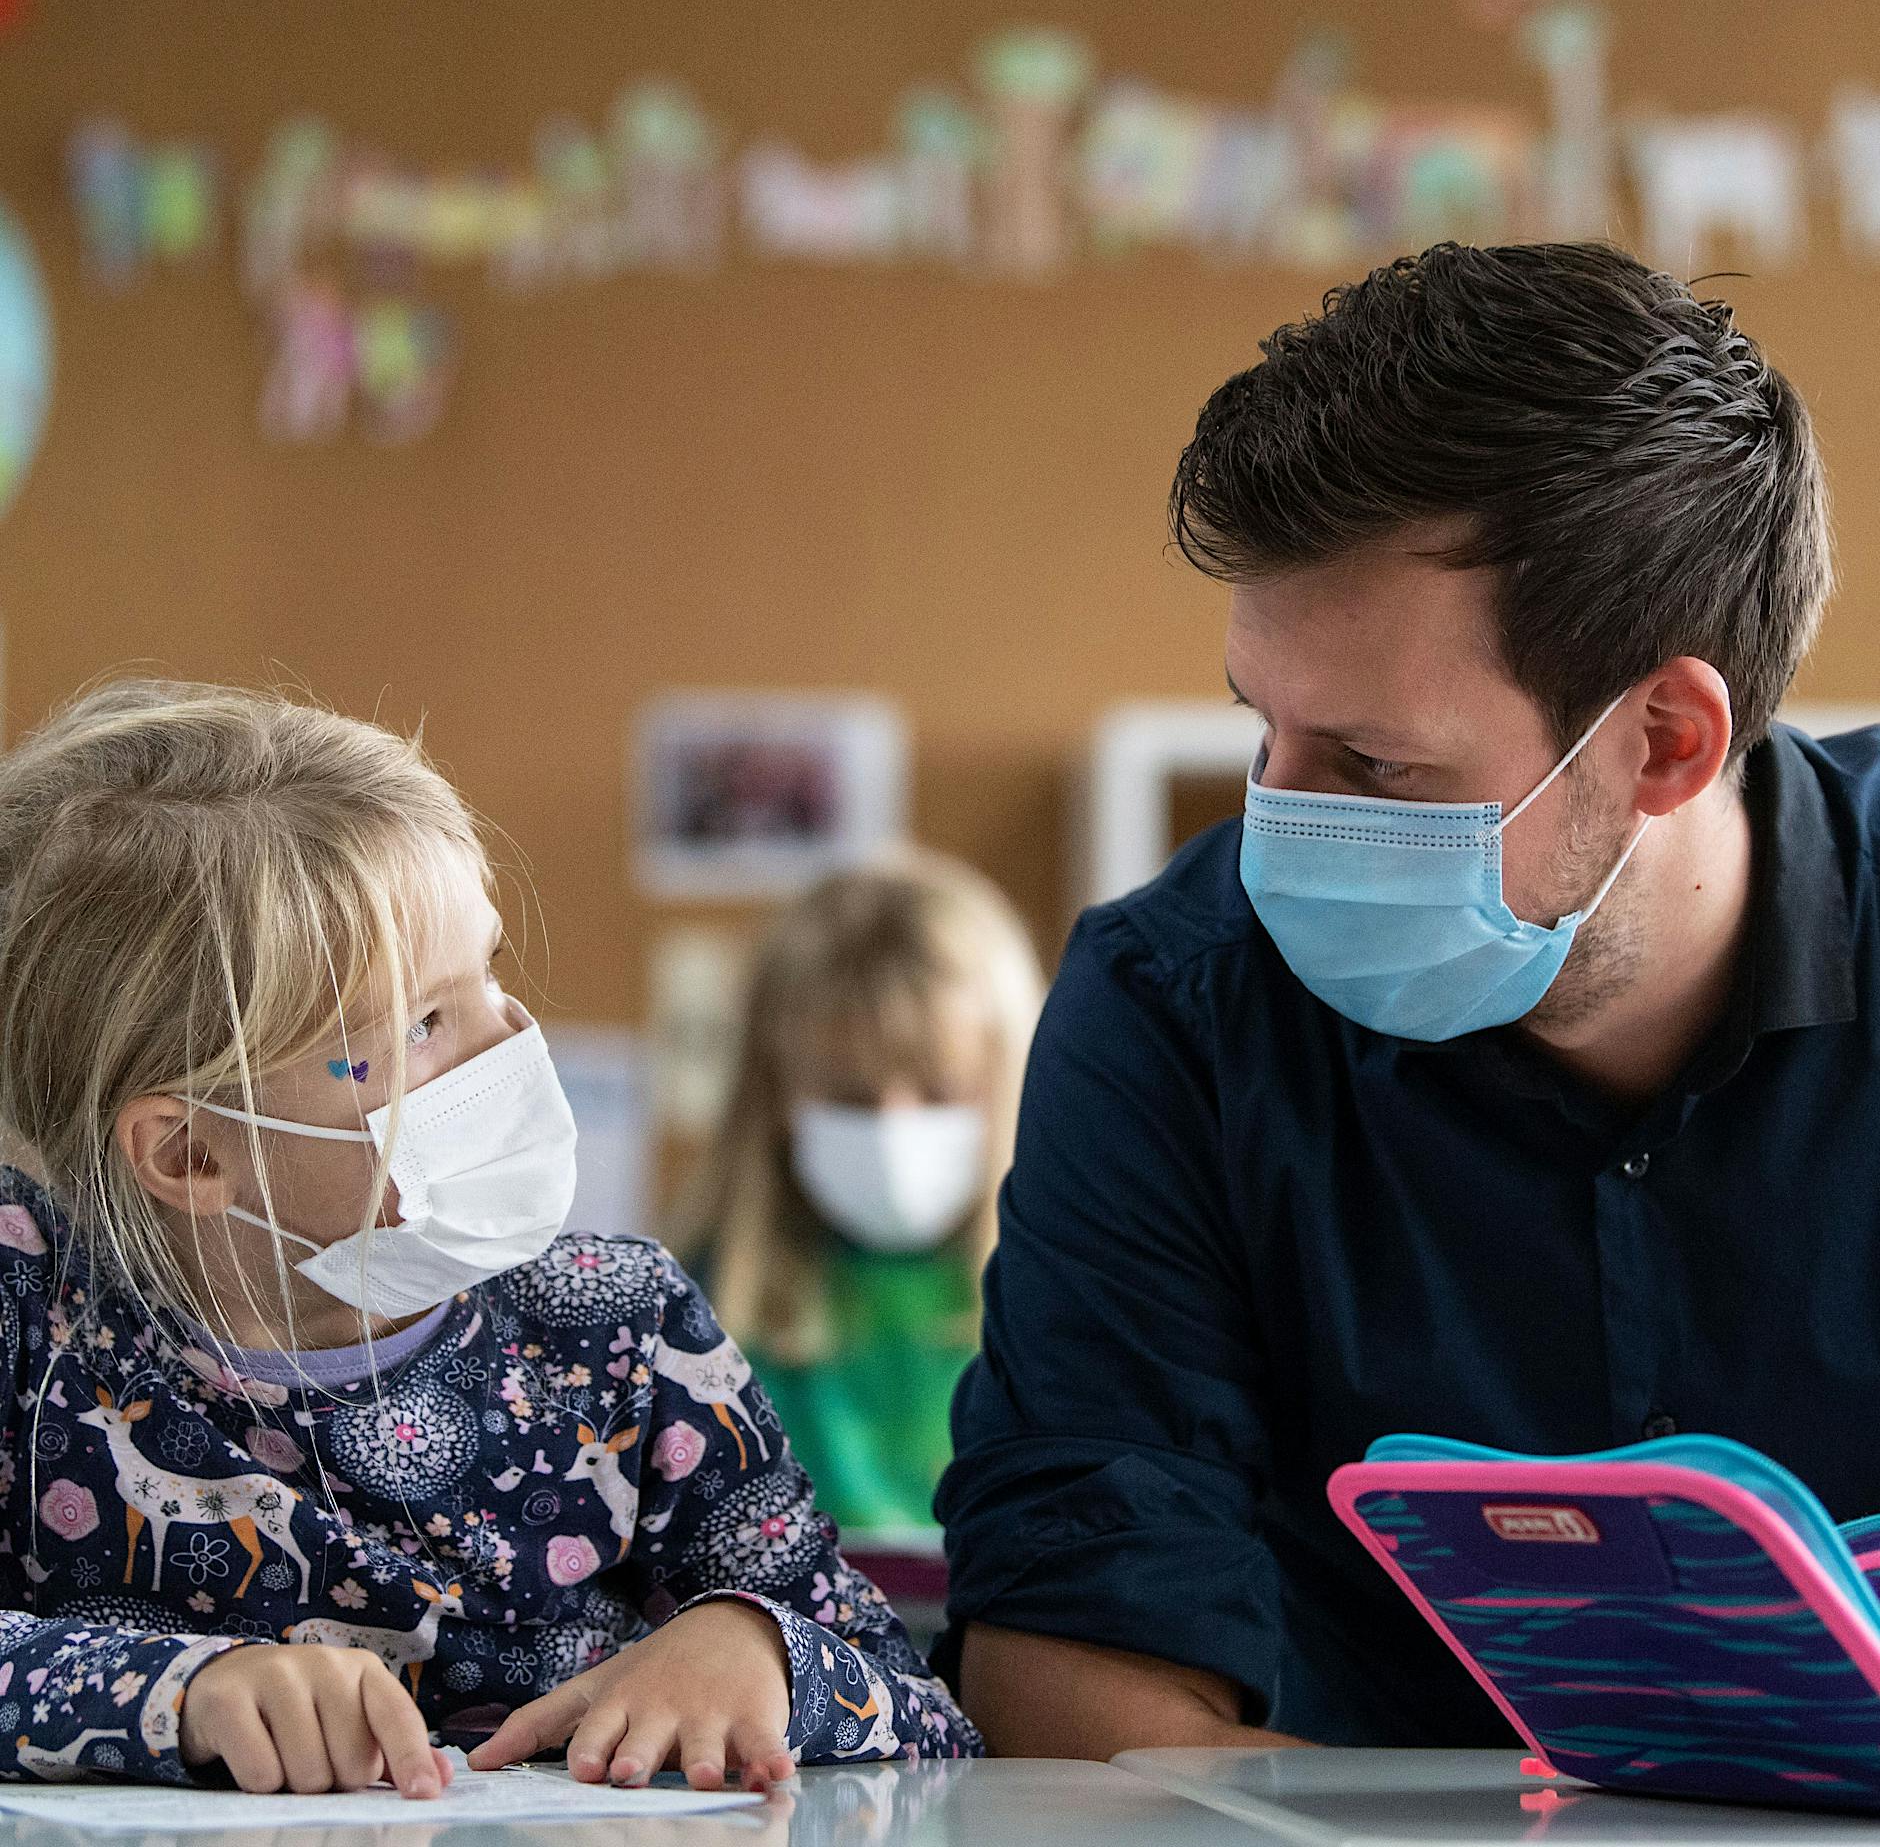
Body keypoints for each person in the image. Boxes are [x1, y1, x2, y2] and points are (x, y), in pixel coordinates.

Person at [938, 240, 1871, 1757]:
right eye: (1266, 730)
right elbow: (1074, 1685)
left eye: (1374, 767)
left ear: (1665, 745)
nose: (1277, 828)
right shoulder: (1175, 1009)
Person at [0, 680, 978, 1791]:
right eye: (420, 1022)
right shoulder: (30, 1308)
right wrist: (181, 1693)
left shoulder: (621, 1332)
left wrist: (761, 1652)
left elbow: (921, 1709)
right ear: (187, 1154)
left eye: (489, 972)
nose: (511, 1038)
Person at [680, 852, 1044, 1546]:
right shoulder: (696, 1313)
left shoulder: (1075, 1308)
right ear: (774, 1093)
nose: (894, 1127)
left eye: (939, 1090)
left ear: (1008, 1083)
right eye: (849, 1095)